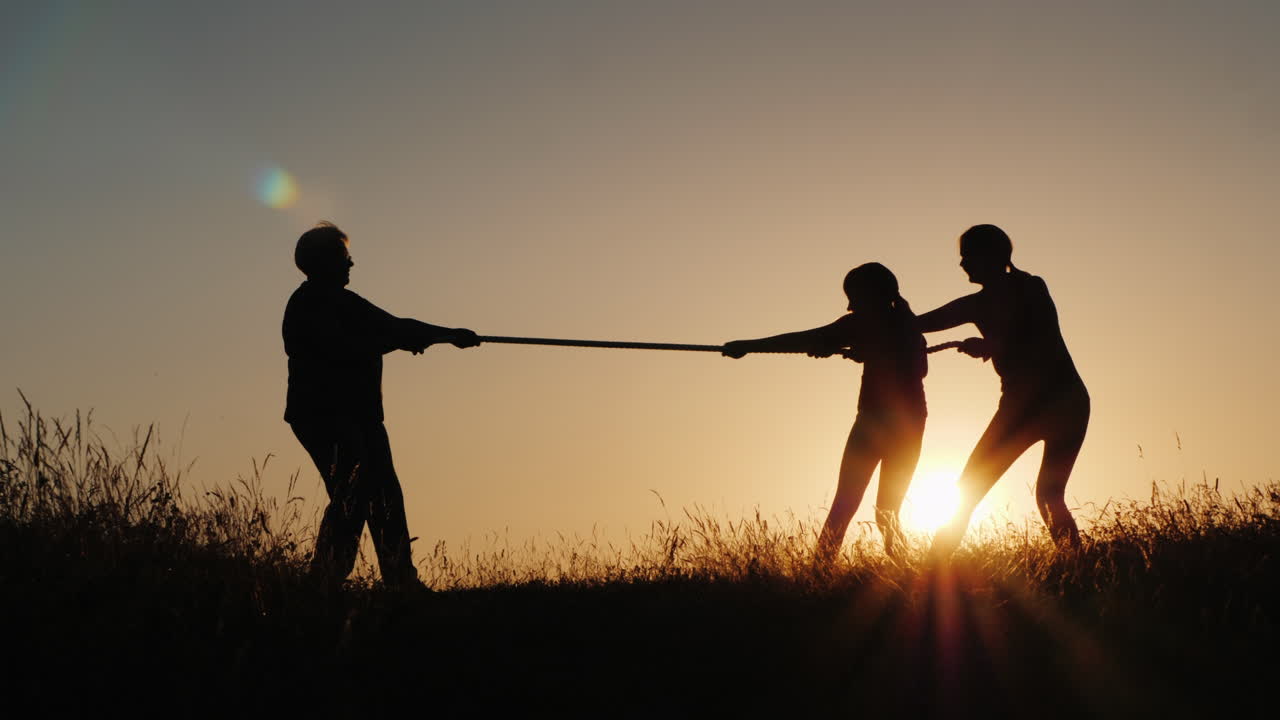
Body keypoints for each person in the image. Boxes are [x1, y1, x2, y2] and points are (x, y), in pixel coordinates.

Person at [283, 221, 480, 587]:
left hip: (362, 417)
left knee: (385, 493)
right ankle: (323, 580)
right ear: (325, 262)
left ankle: (400, 580)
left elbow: (395, 325)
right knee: (353, 493)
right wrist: (401, 341)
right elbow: (341, 348)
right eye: (344, 257)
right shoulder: (308, 304)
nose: (351, 264)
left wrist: (448, 335)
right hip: (325, 415)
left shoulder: (344, 301)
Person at [723, 263, 928, 561]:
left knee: (880, 510)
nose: (849, 305)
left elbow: (918, 368)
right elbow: (806, 337)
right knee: (855, 505)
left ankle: (907, 574)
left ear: (873, 295)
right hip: (879, 421)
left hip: (896, 424)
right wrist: (749, 346)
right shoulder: (869, 325)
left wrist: (867, 351)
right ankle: (821, 571)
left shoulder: (902, 326)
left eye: (854, 297)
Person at [917, 224, 1089, 559]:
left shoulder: (1030, 288)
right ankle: (1079, 567)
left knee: (972, 489)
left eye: (968, 256)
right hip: (1067, 402)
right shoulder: (978, 303)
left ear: (992, 256)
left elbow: (1035, 335)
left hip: (1037, 405)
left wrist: (992, 344)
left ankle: (931, 572)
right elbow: (918, 324)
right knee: (1047, 495)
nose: (963, 264)